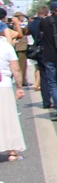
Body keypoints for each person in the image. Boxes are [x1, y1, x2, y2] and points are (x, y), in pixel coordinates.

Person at [0, 28, 25, 161]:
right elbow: (16, 69)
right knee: (7, 117)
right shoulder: (6, 47)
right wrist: (19, 87)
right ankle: (12, 152)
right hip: (4, 85)